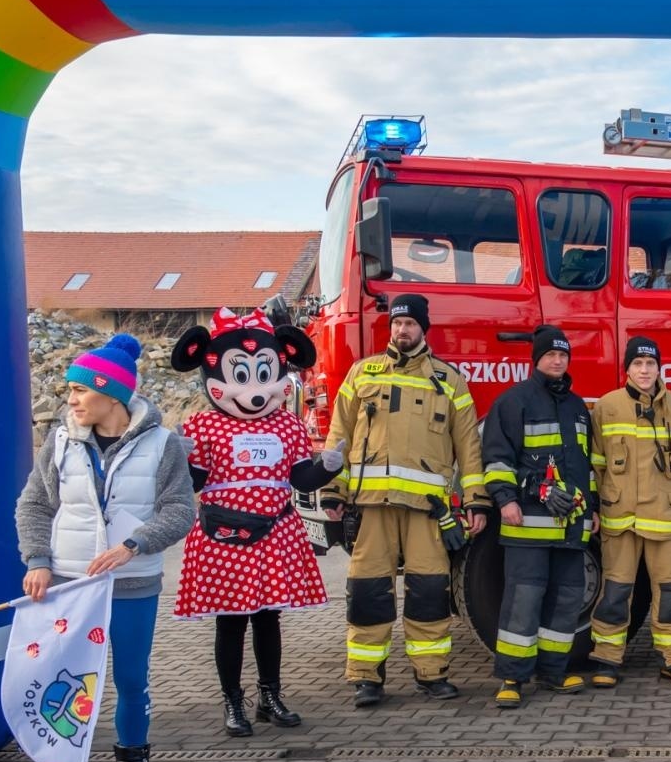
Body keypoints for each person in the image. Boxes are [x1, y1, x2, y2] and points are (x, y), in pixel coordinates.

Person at [15, 333, 196, 762]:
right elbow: (34, 505)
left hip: (134, 583)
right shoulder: (59, 441)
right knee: (63, 686)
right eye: (69, 390)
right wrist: (37, 560)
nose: (69, 399)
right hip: (69, 588)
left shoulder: (163, 445)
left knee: (131, 684)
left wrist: (134, 545)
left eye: (79, 390)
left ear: (111, 395)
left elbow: (181, 510)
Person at [171, 308, 344, 736]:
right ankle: (233, 702)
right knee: (230, 621)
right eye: (240, 376)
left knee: (269, 618)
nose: (252, 390)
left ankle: (270, 695)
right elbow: (194, 481)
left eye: (262, 374)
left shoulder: (287, 425)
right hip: (223, 536)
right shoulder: (202, 426)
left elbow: (299, 476)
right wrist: (176, 458)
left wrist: (327, 468)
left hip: (276, 533)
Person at [324, 294, 489, 708]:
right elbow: (338, 435)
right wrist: (332, 490)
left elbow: (469, 447)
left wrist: (475, 500)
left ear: (423, 328)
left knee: (429, 593)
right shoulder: (363, 373)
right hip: (373, 507)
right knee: (367, 592)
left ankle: (432, 674)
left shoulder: (449, 382)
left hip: (427, 511)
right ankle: (366, 678)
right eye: (397, 323)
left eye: (410, 324)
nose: (402, 330)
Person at [483, 325, 595, 706]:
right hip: (527, 524)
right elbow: (497, 460)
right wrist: (506, 500)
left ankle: (553, 672)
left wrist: (590, 511)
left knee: (566, 600)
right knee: (523, 601)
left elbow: (586, 466)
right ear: (537, 359)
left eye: (563, 355)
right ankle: (512, 679)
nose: (557, 360)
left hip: (570, 527)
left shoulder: (578, 407)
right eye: (550, 354)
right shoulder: (513, 402)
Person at [586, 336, 671, 688]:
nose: (644, 370)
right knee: (615, 592)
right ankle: (606, 659)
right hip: (619, 518)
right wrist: (596, 506)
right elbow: (596, 464)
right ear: (627, 369)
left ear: (659, 368)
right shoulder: (606, 407)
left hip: (667, 519)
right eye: (637, 364)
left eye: (650, 364)